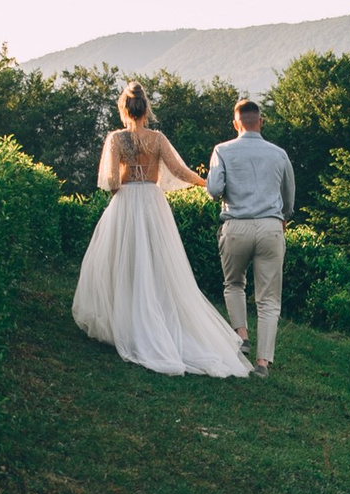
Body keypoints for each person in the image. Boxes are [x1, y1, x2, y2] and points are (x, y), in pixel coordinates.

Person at [71, 83, 254, 378]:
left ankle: (128, 320)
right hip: (153, 204)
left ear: (124, 110)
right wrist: (204, 183)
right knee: (158, 265)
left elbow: (110, 181)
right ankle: (156, 319)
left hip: (126, 202)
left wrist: (124, 184)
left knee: (124, 262)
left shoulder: (116, 139)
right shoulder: (157, 139)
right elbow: (178, 169)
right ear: (146, 109)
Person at [204, 97, 296, 374]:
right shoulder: (279, 154)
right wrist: (283, 217)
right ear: (261, 121)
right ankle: (262, 363)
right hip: (270, 227)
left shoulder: (222, 150)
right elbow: (289, 197)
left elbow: (214, 189)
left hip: (236, 225)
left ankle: (242, 336)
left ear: (236, 123)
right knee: (269, 300)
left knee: (233, 284)